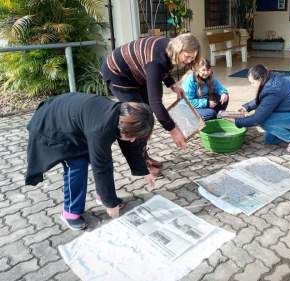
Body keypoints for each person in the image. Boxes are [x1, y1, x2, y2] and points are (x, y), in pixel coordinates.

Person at [25, 93, 155, 231]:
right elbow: (101, 167)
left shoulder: (122, 117)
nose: (133, 140)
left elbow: (129, 146)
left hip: (77, 124)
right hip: (53, 126)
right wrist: (110, 204)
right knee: (77, 165)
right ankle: (70, 212)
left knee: (103, 156)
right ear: (124, 128)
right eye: (133, 136)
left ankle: (103, 196)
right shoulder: (102, 128)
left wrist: (143, 170)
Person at [100, 33, 201, 176]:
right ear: (178, 49)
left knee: (147, 115)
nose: (189, 61)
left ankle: (143, 156)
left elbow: (162, 70)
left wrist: (172, 84)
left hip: (137, 73)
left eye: (192, 57)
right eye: (187, 56)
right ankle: (140, 165)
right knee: (138, 119)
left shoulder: (169, 48)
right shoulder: (156, 61)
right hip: (119, 75)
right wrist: (173, 130)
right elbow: (156, 103)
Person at [230, 65, 290, 157]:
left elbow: (257, 119)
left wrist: (236, 121)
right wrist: (246, 107)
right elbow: (264, 99)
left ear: (260, 78)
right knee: (270, 140)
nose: (252, 85)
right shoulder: (271, 78)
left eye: (252, 82)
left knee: (265, 122)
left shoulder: (272, 89)